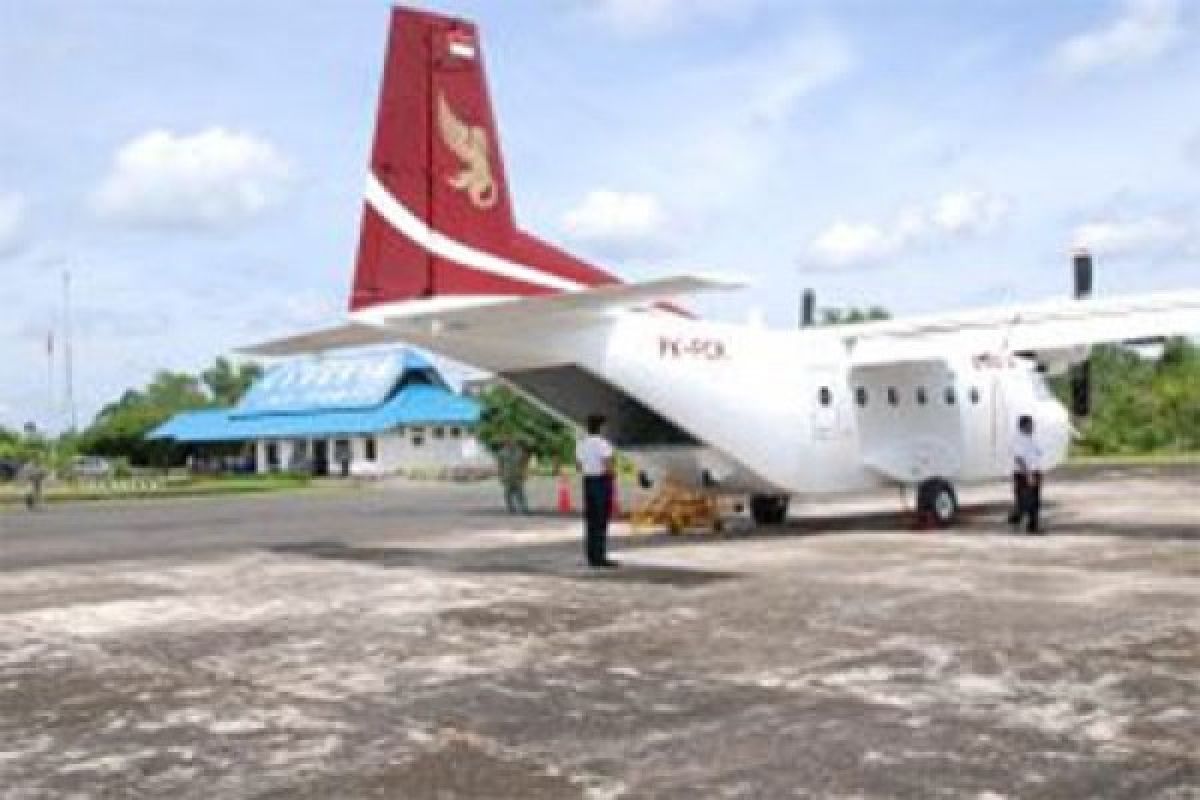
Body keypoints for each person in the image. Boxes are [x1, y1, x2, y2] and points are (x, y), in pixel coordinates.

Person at [576, 414, 617, 568]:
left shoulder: (581, 444)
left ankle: (591, 555)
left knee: (591, 520)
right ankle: (600, 556)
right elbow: (607, 464)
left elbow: (578, 466)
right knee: (601, 521)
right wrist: (612, 475)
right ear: (601, 427)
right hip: (601, 481)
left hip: (588, 481)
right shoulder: (603, 444)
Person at [1007, 414, 1044, 534]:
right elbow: (1019, 459)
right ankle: (1025, 521)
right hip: (1024, 473)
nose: (1032, 426)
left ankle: (1030, 523)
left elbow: (1038, 453)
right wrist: (1028, 475)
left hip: (1035, 471)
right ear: (1023, 426)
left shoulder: (1032, 438)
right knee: (1026, 499)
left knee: (1035, 500)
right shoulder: (1018, 439)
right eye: (1030, 424)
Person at [496, 436, 530, 514]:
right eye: (508, 441)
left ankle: (524, 508)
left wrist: (525, 473)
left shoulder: (520, 451)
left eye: (512, 441)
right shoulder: (502, 453)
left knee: (520, 493)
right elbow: (500, 465)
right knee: (507, 494)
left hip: (518, 475)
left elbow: (524, 463)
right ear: (505, 443)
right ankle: (511, 508)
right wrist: (500, 476)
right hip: (507, 476)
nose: (511, 443)